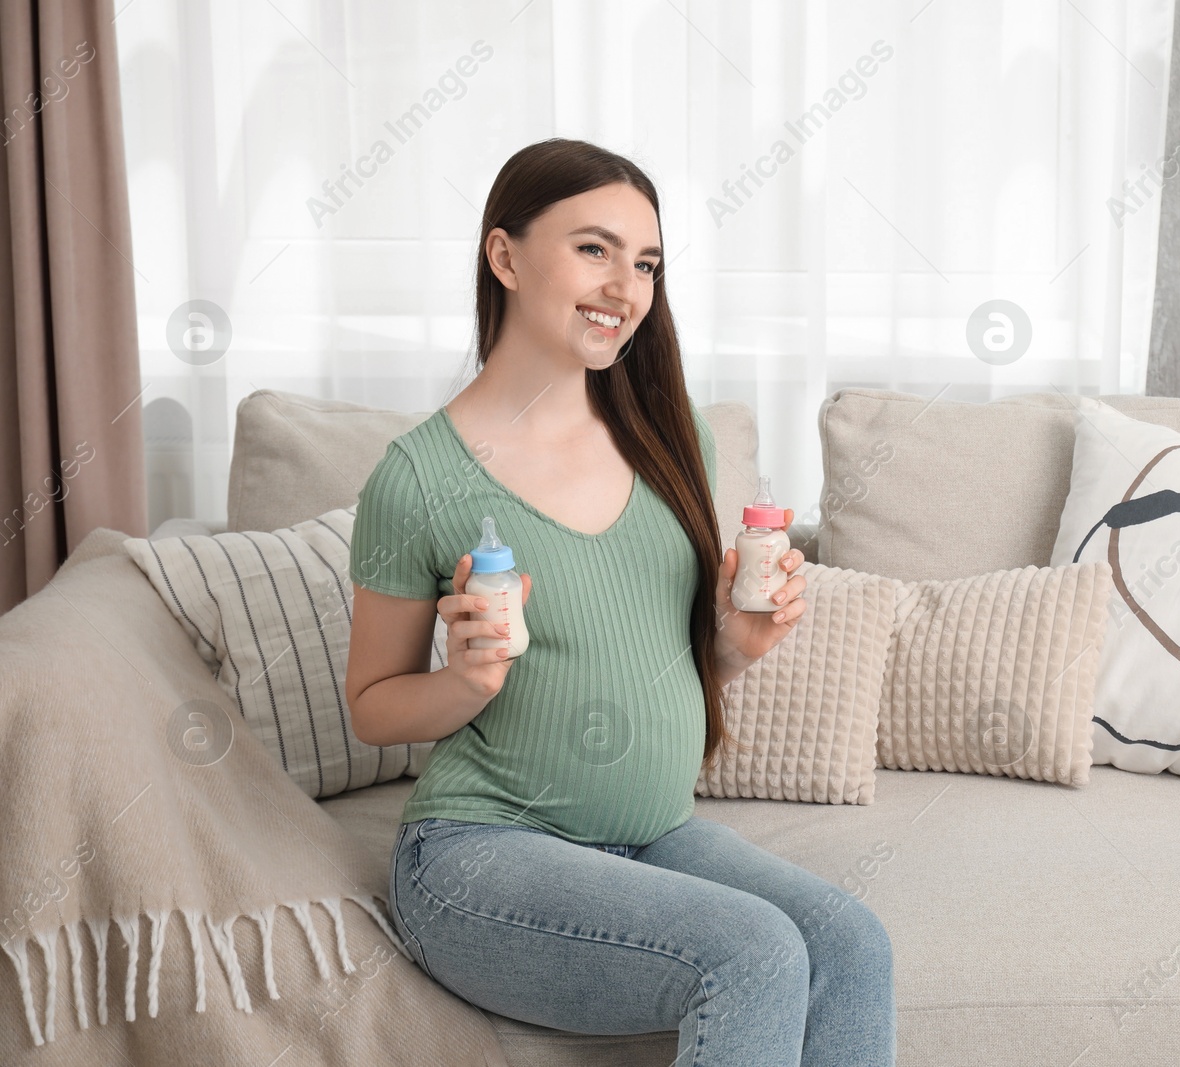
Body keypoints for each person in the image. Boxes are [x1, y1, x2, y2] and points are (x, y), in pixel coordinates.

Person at [343, 138, 895, 1067]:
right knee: (753, 955)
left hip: (651, 837)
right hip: (481, 854)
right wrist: (470, 681)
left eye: (646, 263)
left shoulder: (670, 436)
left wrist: (732, 644)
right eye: (595, 249)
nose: (626, 287)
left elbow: (662, 653)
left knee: (851, 941)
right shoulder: (417, 478)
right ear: (505, 256)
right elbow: (371, 705)